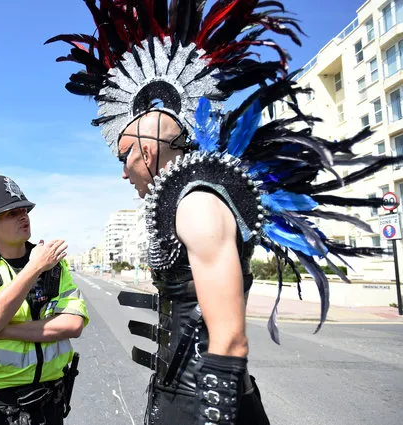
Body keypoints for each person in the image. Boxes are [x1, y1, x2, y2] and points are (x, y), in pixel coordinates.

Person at [48, 2, 396, 424]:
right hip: (178, 397)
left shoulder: (197, 203)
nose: (122, 172)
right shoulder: (186, 200)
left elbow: (229, 342)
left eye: (123, 157)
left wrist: (211, 416)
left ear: (148, 148)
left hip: (204, 406)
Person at [0, 175, 88, 425]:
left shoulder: (55, 266)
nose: (24, 216)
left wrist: (4, 331)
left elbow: (72, 325)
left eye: (24, 210)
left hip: (48, 402)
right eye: (12, 213)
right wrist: (34, 269)